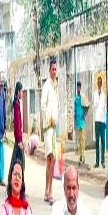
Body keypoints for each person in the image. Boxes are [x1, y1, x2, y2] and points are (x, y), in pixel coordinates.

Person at [41, 59, 59, 205]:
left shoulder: (55, 86)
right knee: (51, 158)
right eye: (52, 69)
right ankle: (49, 191)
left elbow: (56, 106)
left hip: (54, 127)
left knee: (51, 160)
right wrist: (50, 120)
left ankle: (47, 191)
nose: (54, 72)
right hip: (48, 127)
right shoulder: (47, 86)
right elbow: (43, 106)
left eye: (55, 69)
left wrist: (55, 120)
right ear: (49, 70)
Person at [10, 81, 25, 173]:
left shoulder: (18, 103)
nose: (22, 93)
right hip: (18, 138)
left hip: (19, 137)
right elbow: (17, 123)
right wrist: (19, 140)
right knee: (20, 161)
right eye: (22, 91)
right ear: (18, 91)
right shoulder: (16, 104)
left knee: (16, 160)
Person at [93, 76, 107, 169]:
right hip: (97, 120)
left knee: (103, 141)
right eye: (98, 82)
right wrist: (98, 96)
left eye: (100, 82)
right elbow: (94, 105)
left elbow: (104, 108)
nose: (99, 84)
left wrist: (105, 120)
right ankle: (97, 161)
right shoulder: (95, 94)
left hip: (102, 120)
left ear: (101, 84)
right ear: (97, 84)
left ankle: (103, 161)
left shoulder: (104, 95)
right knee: (97, 142)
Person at [74, 81, 88, 164]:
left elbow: (87, 106)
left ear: (80, 88)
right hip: (77, 122)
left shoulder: (83, 97)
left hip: (82, 122)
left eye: (79, 87)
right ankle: (80, 156)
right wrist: (74, 121)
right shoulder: (76, 99)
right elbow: (74, 111)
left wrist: (85, 115)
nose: (78, 89)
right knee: (79, 140)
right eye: (77, 87)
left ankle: (83, 156)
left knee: (83, 140)